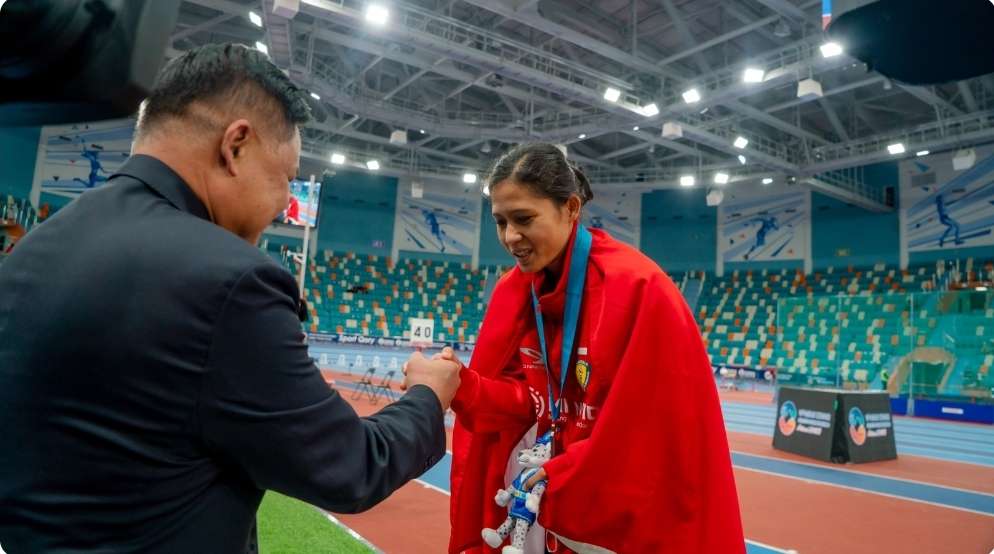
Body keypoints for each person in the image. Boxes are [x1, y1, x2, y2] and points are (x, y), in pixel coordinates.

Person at [0, 43, 460, 553]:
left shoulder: (33, 248)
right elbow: (349, 468)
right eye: (285, 177)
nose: (286, 203)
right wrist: (426, 395)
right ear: (235, 145)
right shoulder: (230, 280)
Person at [428, 143, 744, 553]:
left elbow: (653, 439)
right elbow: (530, 403)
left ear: (571, 208)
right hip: (548, 507)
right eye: (500, 221)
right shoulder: (514, 292)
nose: (510, 237)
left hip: (615, 520)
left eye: (524, 219)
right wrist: (464, 385)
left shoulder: (638, 290)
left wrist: (565, 472)